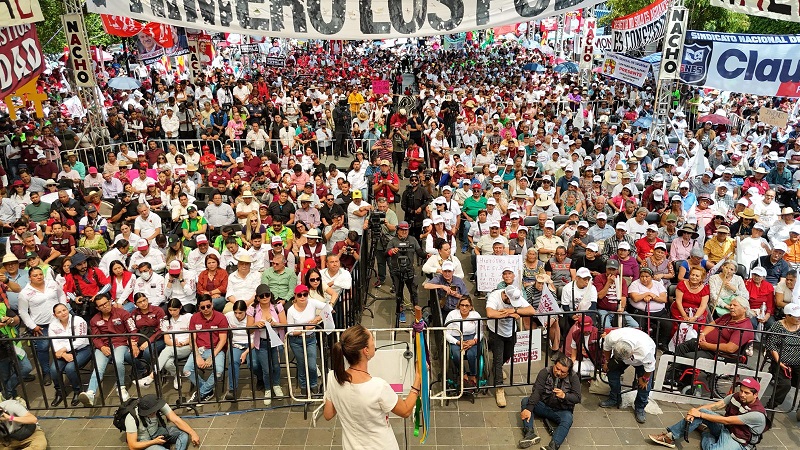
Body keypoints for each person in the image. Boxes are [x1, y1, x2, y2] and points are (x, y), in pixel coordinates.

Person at [323, 324, 422, 450]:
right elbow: (406, 410)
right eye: (372, 339)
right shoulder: (378, 387)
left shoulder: (333, 377)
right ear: (366, 350)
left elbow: (328, 414)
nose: (374, 342)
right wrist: (418, 378)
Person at [648, 377, 768, 450]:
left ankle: (706, 433)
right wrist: (695, 411)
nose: (742, 394)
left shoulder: (756, 414)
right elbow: (716, 405)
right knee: (701, 412)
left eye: (746, 393)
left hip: (738, 440)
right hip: (726, 429)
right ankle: (670, 437)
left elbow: (727, 420)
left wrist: (700, 415)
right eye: (741, 391)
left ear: (755, 395)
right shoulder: (736, 397)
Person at [78, 293, 138, 406]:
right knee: (98, 368)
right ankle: (90, 393)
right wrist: (101, 347)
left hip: (120, 343)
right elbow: (95, 337)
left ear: (110, 301)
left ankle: (121, 387)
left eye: (106, 303)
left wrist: (133, 343)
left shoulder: (123, 313)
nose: (105, 306)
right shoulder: (94, 320)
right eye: (101, 305)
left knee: (118, 361)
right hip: (104, 345)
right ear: (97, 308)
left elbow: (133, 330)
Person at [518, 354, 581, 450]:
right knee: (526, 401)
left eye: (563, 372)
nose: (558, 373)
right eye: (557, 369)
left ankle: (553, 445)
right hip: (543, 405)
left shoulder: (574, 377)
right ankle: (529, 433)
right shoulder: (545, 372)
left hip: (560, 410)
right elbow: (537, 391)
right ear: (554, 365)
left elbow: (577, 397)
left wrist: (565, 396)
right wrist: (529, 409)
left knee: (568, 419)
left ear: (568, 372)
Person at [486, 285, 535, 407]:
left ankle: (496, 369)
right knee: (498, 358)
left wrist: (514, 311)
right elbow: (490, 313)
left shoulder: (516, 296)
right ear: (505, 295)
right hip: (495, 331)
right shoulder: (494, 296)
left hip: (510, 331)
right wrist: (508, 314)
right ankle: (499, 387)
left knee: (509, 353)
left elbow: (531, 310)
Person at [17, 265, 66, 387]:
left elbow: (62, 295)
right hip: (40, 326)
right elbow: (22, 311)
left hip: (57, 322)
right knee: (43, 349)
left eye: (40, 274)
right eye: (35, 275)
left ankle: (63, 369)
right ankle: (46, 372)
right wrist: (33, 326)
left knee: (63, 345)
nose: (39, 277)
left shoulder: (52, 284)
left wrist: (62, 309)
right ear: (30, 278)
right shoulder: (25, 293)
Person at [600, 327, 657, 424]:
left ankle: (640, 407)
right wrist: (608, 361)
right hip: (620, 356)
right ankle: (615, 398)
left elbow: (650, 367)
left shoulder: (645, 351)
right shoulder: (612, 337)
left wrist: (644, 379)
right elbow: (606, 348)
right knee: (612, 373)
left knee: (645, 386)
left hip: (642, 362)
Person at [183, 295, 228, 403]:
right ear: (199, 307)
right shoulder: (194, 317)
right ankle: (208, 391)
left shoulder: (221, 317)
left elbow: (223, 340)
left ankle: (201, 393)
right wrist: (198, 356)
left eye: (208, 306)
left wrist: (212, 356)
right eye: (203, 307)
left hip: (216, 349)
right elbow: (192, 339)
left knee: (218, 371)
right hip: (200, 349)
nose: (206, 309)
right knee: (187, 371)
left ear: (212, 304)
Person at [247, 285, 286, 405]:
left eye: (267, 295)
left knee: (276, 366)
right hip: (262, 342)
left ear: (270, 295)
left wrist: (275, 324)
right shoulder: (252, 310)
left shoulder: (277, 307)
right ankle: (268, 389)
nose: (265, 298)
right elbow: (248, 329)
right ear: (257, 297)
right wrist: (256, 324)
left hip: (276, 341)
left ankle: (276, 385)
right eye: (262, 296)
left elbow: (284, 324)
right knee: (266, 369)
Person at [48, 303, 91, 407]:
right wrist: (64, 354)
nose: (63, 313)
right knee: (54, 369)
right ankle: (59, 391)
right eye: (59, 312)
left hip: (82, 349)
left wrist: (64, 349)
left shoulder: (78, 320)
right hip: (63, 353)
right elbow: (54, 343)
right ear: (55, 315)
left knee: (70, 368)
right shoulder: (53, 325)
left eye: (64, 310)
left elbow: (81, 340)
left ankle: (77, 390)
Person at [122, 394, 201, 450]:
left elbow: (176, 419)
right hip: (143, 440)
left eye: (154, 412)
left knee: (183, 433)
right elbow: (132, 446)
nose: (153, 414)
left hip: (157, 431)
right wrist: (154, 442)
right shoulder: (131, 418)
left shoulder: (158, 404)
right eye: (150, 413)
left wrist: (193, 433)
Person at [286, 285, 326, 396]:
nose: (303, 297)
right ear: (295, 296)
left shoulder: (312, 303)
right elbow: (291, 331)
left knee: (312, 365)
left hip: (310, 339)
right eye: (300, 295)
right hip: (296, 340)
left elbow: (328, 308)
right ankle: (303, 385)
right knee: (302, 364)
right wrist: (305, 328)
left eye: (305, 294)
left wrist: (317, 319)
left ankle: (313, 384)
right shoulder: (291, 311)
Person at [386, 221, 427, 323]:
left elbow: (420, 252)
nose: (404, 232)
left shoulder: (413, 240)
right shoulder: (393, 241)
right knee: (399, 293)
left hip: (409, 270)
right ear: (398, 230)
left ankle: (416, 311)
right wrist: (391, 251)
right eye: (402, 230)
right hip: (397, 271)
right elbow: (385, 254)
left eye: (406, 230)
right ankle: (400, 311)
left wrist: (427, 255)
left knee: (413, 291)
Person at [764, 303, 800, 410]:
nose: (799, 318)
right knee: (785, 385)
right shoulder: (778, 326)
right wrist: (779, 362)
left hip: (798, 361)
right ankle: (771, 405)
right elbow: (772, 346)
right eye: (796, 316)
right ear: (787, 316)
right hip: (782, 360)